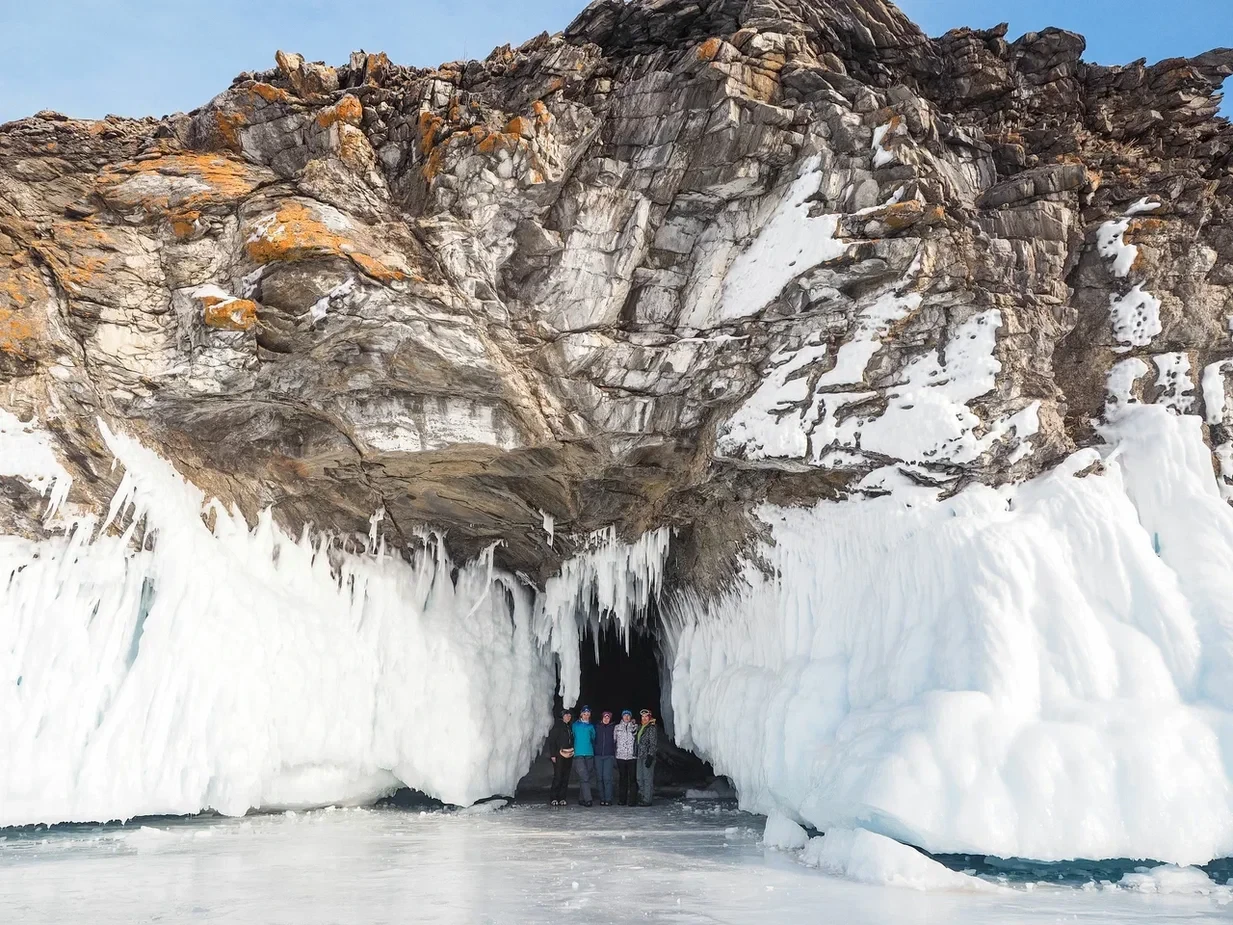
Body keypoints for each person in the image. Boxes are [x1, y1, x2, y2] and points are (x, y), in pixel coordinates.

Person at [547, 707, 575, 806]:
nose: (568, 717)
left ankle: (562, 798)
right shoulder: (558, 727)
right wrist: (553, 755)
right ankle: (554, 797)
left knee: (565, 776)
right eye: (566, 715)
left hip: (569, 754)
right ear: (562, 716)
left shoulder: (570, 727)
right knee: (558, 776)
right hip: (559, 754)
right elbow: (552, 742)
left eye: (569, 715)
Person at [572, 706, 597, 806]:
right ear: (581, 714)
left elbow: (593, 737)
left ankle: (581, 798)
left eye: (588, 714)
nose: (586, 716)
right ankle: (588, 799)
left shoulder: (591, 726)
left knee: (586, 777)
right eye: (584, 714)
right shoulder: (575, 725)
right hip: (579, 754)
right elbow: (573, 736)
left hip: (589, 753)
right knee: (584, 776)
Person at [635, 708, 659, 807]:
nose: (644, 718)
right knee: (639, 778)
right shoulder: (641, 727)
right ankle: (642, 795)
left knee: (647, 778)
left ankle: (647, 799)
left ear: (649, 717)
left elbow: (653, 743)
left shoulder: (651, 728)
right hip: (639, 756)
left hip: (647, 756)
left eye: (646, 716)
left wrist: (650, 755)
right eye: (643, 717)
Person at [614, 708, 637, 805]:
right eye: (625, 715)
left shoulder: (635, 727)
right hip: (620, 756)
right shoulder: (617, 727)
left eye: (628, 715)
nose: (626, 717)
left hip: (632, 757)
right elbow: (613, 740)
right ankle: (622, 800)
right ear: (622, 717)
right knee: (623, 778)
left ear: (630, 717)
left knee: (632, 779)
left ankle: (632, 800)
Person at [594, 710, 617, 806]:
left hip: (609, 755)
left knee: (607, 778)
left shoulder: (613, 728)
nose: (606, 719)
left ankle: (608, 799)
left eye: (608, 717)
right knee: (599, 778)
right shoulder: (597, 727)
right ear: (602, 718)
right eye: (605, 717)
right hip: (598, 755)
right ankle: (602, 798)